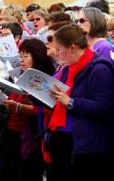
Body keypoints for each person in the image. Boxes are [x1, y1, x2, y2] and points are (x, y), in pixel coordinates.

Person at [49, 24, 114, 181]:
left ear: (72, 48)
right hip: (65, 139)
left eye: (59, 49)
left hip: (88, 146)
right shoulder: (67, 68)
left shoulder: (99, 69)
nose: (57, 54)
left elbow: (104, 106)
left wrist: (71, 102)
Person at [0, 39, 55, 181]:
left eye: (26, 56)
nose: (21, 60)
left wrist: (19, 107)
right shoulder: (20, 74)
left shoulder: (43, 77)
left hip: (31, 136)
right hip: (13, 132)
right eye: (20, 56)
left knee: (26, 173)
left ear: (36, 56)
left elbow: (47, 111)